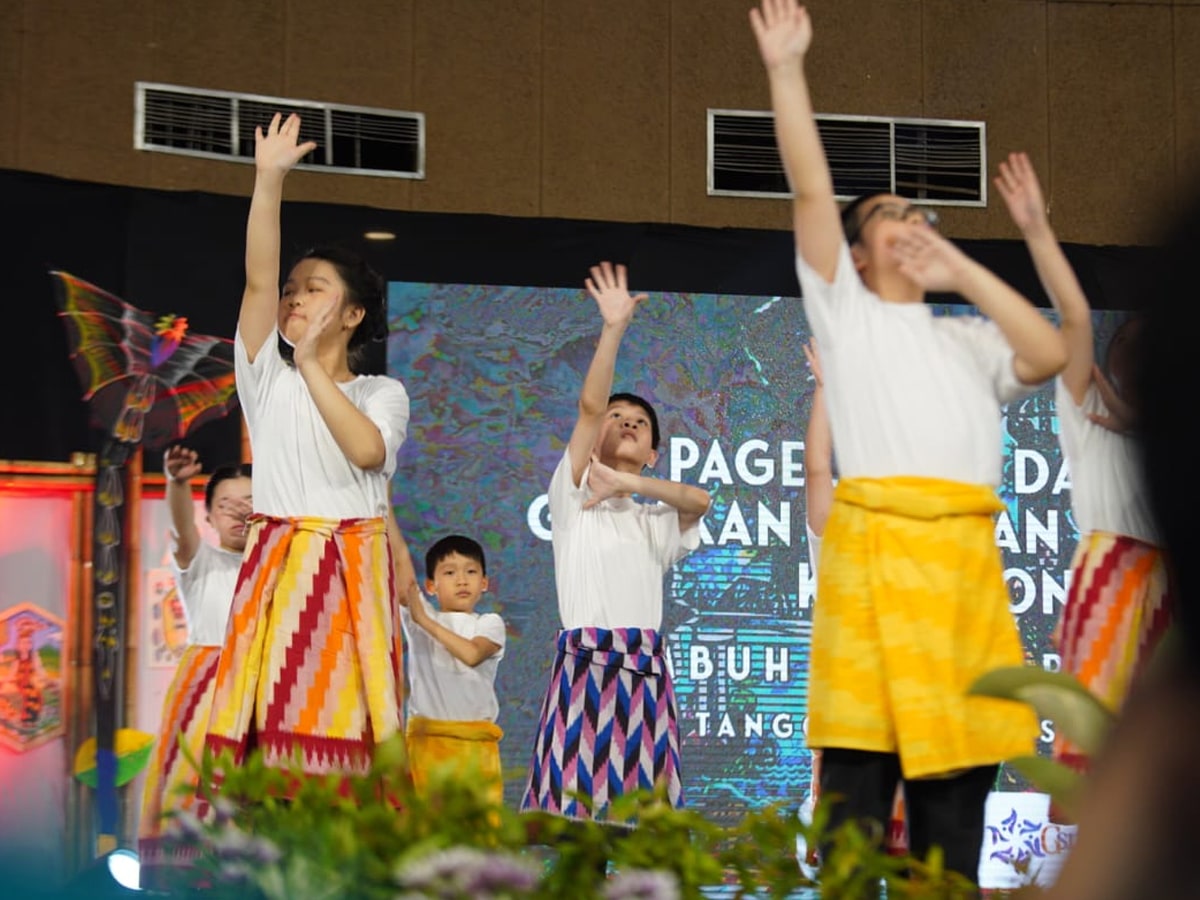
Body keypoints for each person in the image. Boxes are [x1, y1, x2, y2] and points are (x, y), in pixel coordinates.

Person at [750, 0, 1066, 880]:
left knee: (954, 799)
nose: (909, 221)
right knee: (858, 781)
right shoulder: (846, 316)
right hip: (877, 567)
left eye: (916, 212)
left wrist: (962, 265)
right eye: (889, 215)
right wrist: (786, 71)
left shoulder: (968, 336)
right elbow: (813, 190)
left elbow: (1048, 350)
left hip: (959, 581)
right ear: (855, 257)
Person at [203, 112, 411, 784]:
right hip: (278, 571)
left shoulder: (383, 392)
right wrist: (268, 181)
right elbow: (259, 280)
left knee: (349, 734)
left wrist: (315, 365)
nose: (294, 299)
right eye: (294, 292)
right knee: (271, 728)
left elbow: (367, 453)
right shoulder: (266, 374)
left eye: (314, 290)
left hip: (352, 577)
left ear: (353, 314)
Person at [995, 151, 1173, 785]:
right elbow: (1072, 318)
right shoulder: (1087, 408)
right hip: (1112, 584)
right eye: (1125, 344)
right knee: (1105, 761)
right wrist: (1037, 231)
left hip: (1171, 591)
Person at [520, 261, 710, 824]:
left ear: (653, 453)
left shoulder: (653, 520)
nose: (627, 423)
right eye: (617, 416)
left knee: (645, 831)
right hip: (584, 668)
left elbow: (698, 502)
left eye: (640, 423)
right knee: (581, 830)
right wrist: (613, 329)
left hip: (645, 672)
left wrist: (627, 482)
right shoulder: (572, 498)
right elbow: (587, 408)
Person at [138, 449, 250, 888]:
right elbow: (183, 531)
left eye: (252, 503)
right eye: (229, 504)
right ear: (210, 515)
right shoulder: (201, 561)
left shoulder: (284, 568)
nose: (242, 512)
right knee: (196, 787)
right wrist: (178, 483)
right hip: (208, 688)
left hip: (262, 688)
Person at [400, 535, 506, 805]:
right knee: (428, 838)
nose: (461, 580)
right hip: (427, 748)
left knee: (477, 837)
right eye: (449, 572)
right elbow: (399, 562)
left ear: (484, 583)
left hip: (475, 749)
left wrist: (425, 621)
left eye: (471, 571)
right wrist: (384, 507)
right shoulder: (419, 617)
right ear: (431, 586)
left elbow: (472, 654)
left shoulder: (490, 623)